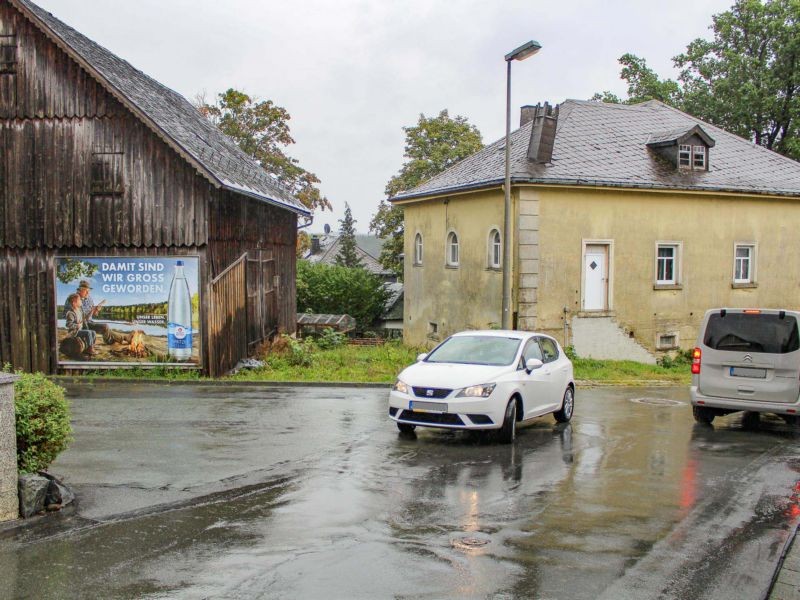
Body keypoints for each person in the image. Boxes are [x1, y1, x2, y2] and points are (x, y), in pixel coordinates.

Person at [67, 280, 128, 344]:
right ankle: (121, 338)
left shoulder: (89, 298)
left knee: (105, 327)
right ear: (80, 290)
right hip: (82, 324)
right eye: (86, 291)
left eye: (89, 291)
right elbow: (77, 316)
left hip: (90, 322)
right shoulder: (75, 299)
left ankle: (115, 339)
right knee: (105, 327)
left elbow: (94, 314)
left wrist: (96, 310)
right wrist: (91, 312)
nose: (88, 293)